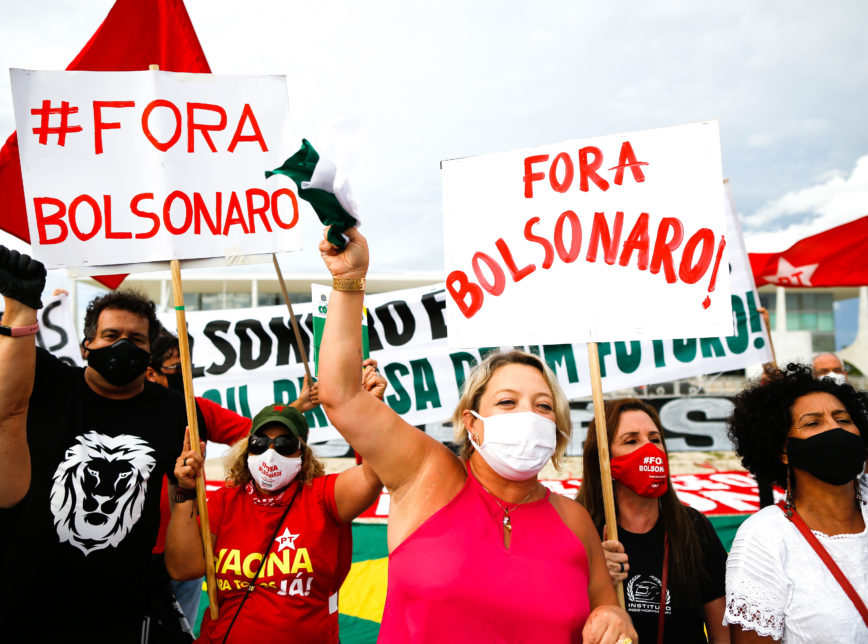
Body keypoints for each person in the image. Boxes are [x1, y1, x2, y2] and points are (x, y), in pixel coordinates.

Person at [316, 226, 636, 644]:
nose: (528, 415)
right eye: (507, 402)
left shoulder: (574, 521)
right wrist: (348, 281)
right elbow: (341, 396)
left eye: (543, 406)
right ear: (471, 422)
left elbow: (605, 610)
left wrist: (614, 616)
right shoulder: (426, 475)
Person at [0, 248, 193, 642]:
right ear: (87, 345)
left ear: (149, 353)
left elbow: (181, 500)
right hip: (25, 597)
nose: (123, 345)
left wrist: (189, 486)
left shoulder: (174, 409)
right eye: (111, 335)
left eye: (135, 339)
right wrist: (19, 311)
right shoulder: (50, 380)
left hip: (118, 609)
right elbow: (6, 400)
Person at [165, 366, 385, 643]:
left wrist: (371, 412)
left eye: (283, 443)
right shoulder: (225, 502)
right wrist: (185, 493)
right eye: (259, 443)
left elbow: (373, 476)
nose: (270, 453)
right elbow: (183, 569)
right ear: (247, 448)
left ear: (302, 453)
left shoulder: (325, 496)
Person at [146, 328, 320, 629]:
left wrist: (297, 407)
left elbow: (256, 436)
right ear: (150, 372)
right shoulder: (123, 413)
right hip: (133, 550)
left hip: (187, 544)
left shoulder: (195, 409)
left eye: (187, 368)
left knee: (180, 629)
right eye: (176, 368)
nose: (183, 377)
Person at [724, 363, 868, 642]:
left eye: (844, 419)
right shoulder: (764, 538)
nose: (835, 429)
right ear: (783, 451)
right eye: (813, 423)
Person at [577, 398, 730, 643]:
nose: (650, 449)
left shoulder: (694, 528)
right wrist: (593, 580)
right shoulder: (577, 529)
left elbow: (723, 633)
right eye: (631, 441)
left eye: (655, 439)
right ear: (603, 458)